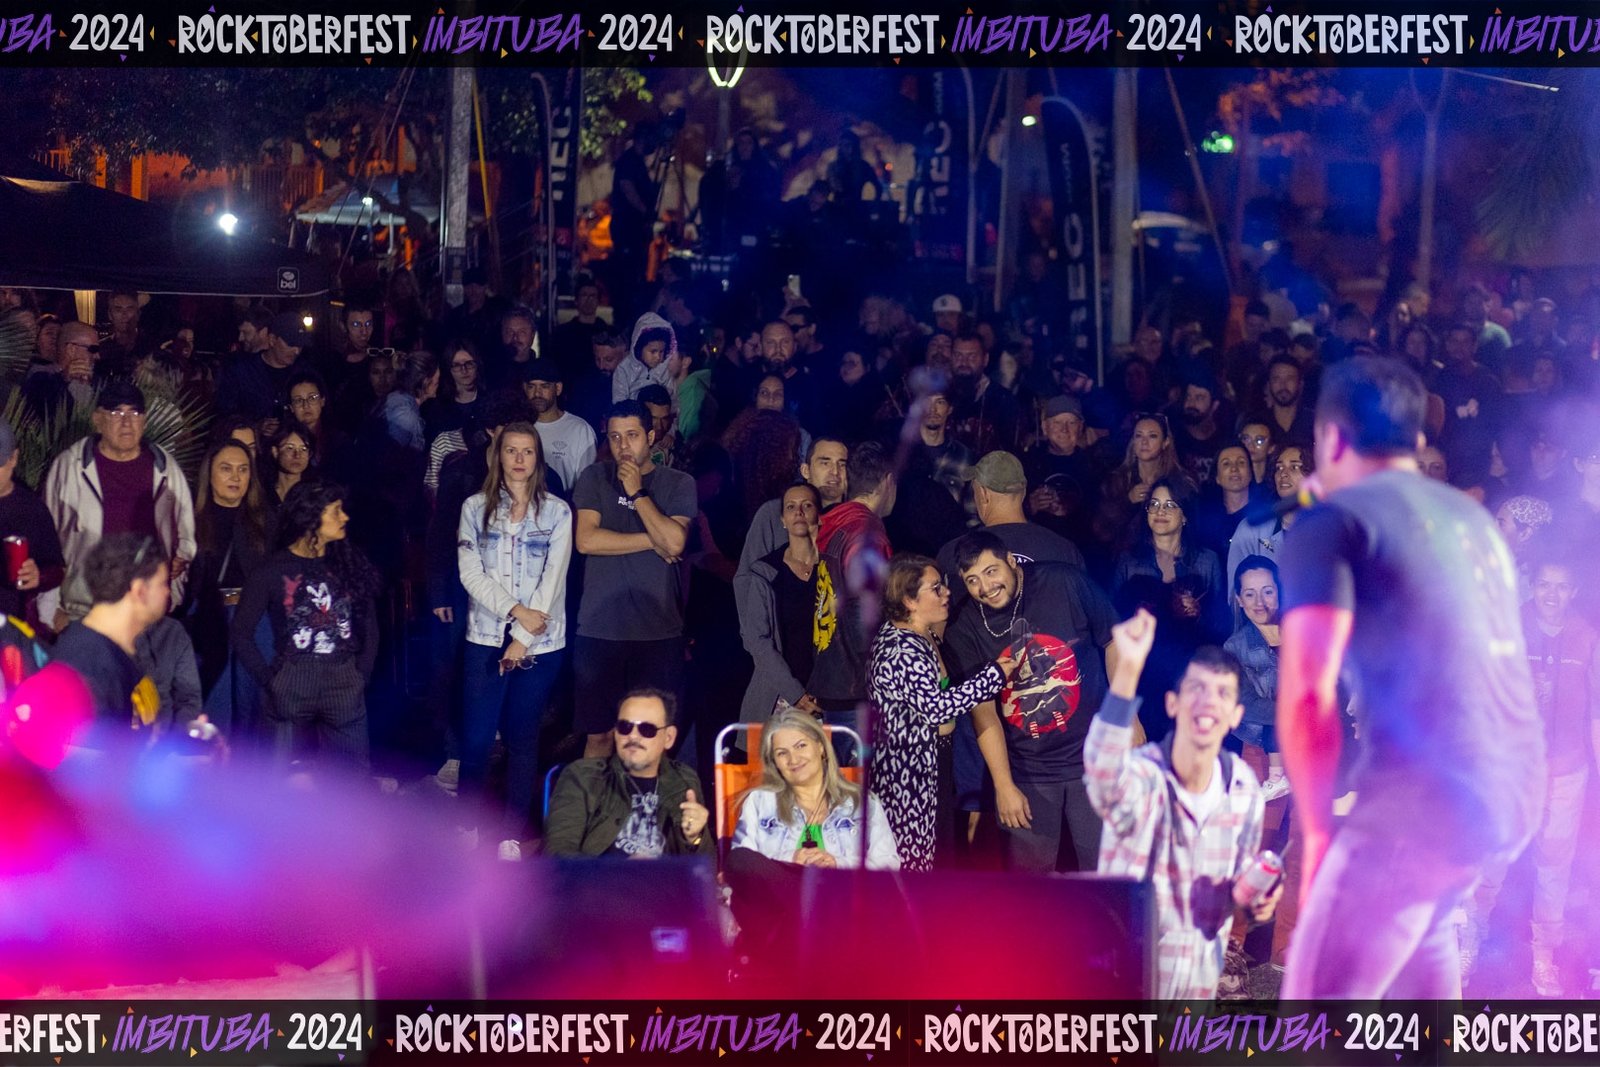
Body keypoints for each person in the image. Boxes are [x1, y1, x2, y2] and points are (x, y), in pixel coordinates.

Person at [1278, 357, 1544, 998]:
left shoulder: (1331, 524)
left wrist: (1317, 837)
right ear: (1417, 440)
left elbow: (1309, 694)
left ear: (1331, 439)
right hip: (1508, 789)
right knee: (1426, 929)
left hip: (1420, 800)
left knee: (1314, 1016)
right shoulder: (1473, 520)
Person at [1085, 609, 1278, 999]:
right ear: (1173, 704)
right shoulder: (1142, 774)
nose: (1208, 704)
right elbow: (1102, 770)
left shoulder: (1243, 789)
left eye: (1222, 694)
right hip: (1131, 971)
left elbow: (1235, 886)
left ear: (1236, 715)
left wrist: (1257, 896)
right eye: (1197, 691)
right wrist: (1127, 671)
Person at [1460, 550, 1599, 996]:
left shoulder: (1587, 638)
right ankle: (1470, 938)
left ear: (1573, 591)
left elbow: (1596, 711)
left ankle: (1544, 956)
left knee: (1554, 866)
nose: (1552, 595)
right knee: (1491, 856)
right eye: (1544, 585)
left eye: (1561, 586)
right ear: (1532, 586)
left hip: (1567, 771)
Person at [945, 531, 1117, 873]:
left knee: (1104, 877)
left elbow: (1114, 640)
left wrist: (1127, 718)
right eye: (973, 580)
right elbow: (983, 712)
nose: (985, 587)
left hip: (1095, 760)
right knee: (1029, 886)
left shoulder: (1064, 582)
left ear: (1011, 560)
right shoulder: (964, 625)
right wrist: (1003, 785)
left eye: (991, 571)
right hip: (1028, 771)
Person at [456, 422, 572, 861]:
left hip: (540, 644)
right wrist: (515, 612)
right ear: (498, 455)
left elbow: (553, 581)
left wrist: (522, 638)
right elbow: (470, 573)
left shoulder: (557, 512)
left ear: (537, 458)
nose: (519, 459)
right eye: (511, 450)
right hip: (486, 635)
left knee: (522, 738)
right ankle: (466, 825)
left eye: (527, 451)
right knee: (477, 738)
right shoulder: (474, 507)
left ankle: (511, 833)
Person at [866, 553, 1017, 872]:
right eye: (936, 588)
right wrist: (993, 676)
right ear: (909, 600)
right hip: (908, 775)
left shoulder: (924, 634)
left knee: (941, 855)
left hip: (934, 762)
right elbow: (937, 708)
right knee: (918, 862)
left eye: (944, 584)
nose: (947, 592)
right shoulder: (901, 649)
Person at [572, 400, 697, 759]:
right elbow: (586, 540)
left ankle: (643, 798)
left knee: (650, 739)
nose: (623, 445)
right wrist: (654, 540)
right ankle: (595, 798)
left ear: (651, 437)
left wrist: (638, 493)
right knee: (599, 736)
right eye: (615, 437)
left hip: (658, 632)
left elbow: (676, 542)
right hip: (599, 629)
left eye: (632, 436)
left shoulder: (678, 483)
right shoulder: (594, 477)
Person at [231, 481, 380, 774]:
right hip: (293, 678)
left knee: (353, 778)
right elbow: (241, 632)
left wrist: (361, 673)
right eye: (335, 511)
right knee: (278, 777)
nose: (345, 517)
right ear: (310, 516)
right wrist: (269, 680)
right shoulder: (272, 570)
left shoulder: (348, 563)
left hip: (343, 677)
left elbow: (370, 625)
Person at [41, 381, 195, 631]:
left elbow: (185, 534)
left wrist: (179, 565)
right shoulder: (70, 467)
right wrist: (51, 610)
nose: (127, 422)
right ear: (97, 419)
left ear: (144, 420)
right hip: (85, 612)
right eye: (116, 413)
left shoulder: (164, 468)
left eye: (134, 413)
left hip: (146, 613)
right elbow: (47, 542)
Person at [1111, 478, 1229, 738]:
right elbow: (1113, 621)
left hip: (1191, 670)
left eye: (1169, 505)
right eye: (1153, 504)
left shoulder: (1206, 560)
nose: (1160, 511)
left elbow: (1222, 623)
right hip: (1146, 672)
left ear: (1184, 515)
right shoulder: (1129, 561)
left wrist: (1199, 613)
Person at [544, 689, 715, 858]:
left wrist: (695, 838)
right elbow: (559, 855)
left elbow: (706, 868)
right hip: (600, 876)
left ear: (668, 738)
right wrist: (623, 871)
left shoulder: (684, 780)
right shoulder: (582, 776)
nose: (633, 736)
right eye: (625, 727)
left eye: (647, 729)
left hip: (662, 877)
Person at [732, 706, 900, 869]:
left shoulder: (862, 803)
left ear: (820, 747)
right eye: (782, 753)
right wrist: (789, 860)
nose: (793, 759)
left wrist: (838, 864)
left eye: (801, 746)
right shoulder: (760, 801)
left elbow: (888, 865)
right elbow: (741, 865)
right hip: (780, 887)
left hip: (841, 886)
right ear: (774, 762)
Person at [185, 439, 271, 738]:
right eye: (226, 468)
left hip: (255, 620)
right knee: (214, 703)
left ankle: (252, 765)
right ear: (210, 473)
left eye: (243, 469)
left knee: (253, 704)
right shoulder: (190, 520)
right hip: (209, 618)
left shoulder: (265, 520)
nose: (236, 477)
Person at [50, 533, 169, 738]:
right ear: (140, 591)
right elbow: (87, 754)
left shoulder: (107, 651)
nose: (167, 592)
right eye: (163, 583)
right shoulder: (88, 666)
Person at [811, 440, 897, 719]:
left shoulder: (832, 523)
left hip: (828, 675)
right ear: (888, 481)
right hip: (855, 685)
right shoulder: (867, 533)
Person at [738, 482, 829, 723]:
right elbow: (758, 639)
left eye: (807, 506)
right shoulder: (765, 572)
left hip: (828, 693)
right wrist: (796, 693)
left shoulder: (834, 566)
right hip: (781, 693)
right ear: (783, 520)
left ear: (818, 515)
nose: (798, 512)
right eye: (791, 507)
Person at [1223, 555, 1291, 801]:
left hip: (1312, 742)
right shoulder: (1234, 648)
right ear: (1239, 600)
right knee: (1263, 822)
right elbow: (1246, 704)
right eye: (1250, 594)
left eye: (1268, 592)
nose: (1260, 602)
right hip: (1263, 750)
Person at [0, 420, 64, 623]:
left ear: (13, 458)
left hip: (12, 625)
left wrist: (38, 576)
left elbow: (57, 569)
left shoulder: (32, 509)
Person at [1225, 445, 1311, 584]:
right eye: (1279, 468)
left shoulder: (1329, 529)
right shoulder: (1251, 529)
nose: (1283, 474)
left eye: (1294, 467)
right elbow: (1235, 591)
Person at [521, 358, 597, 492]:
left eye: (544, 386)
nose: (537, 394)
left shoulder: (579, 430)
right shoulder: (518, 429)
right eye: (531, 387)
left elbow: (588, 484)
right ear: (525, 388)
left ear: (558, 388)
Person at [613, 312, 680, 405]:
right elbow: (619, 401)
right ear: (639, 348)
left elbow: (672, 399)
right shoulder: (624, 369)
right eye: (653, 351)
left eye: (661, 352)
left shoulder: (664, 369)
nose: (658, 357)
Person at [384, 350, 440, 451]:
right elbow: (390, 455)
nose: (439, 386)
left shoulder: (397, 399)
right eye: (437, 382)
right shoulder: (405, 416)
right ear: (426, 382)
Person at [265, 421, 316, 507]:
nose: (297, 455)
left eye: (304, 449)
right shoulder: (263, 493)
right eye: (290, 448)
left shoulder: (316, 494)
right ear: (275, 451)